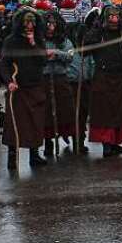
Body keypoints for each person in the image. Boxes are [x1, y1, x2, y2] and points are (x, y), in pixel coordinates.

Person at [85, 5, 122, 157]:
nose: (114, 20)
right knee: (104, 112)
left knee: (119, 112)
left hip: (121, 78)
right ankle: (106, 143)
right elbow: (85, 50)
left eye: (116, 17)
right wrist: (94, 30)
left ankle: (115, 143)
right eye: (110, 17)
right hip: (103, 77)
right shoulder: (99, 34)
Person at [0, 7, 48, 169]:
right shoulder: (10, 41)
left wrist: (34, 43)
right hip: (18, 89)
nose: (30, 25)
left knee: (35, 122)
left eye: (32, 21)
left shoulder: (39, 40)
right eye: (27, 21)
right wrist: (9, 82)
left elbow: (43, 61)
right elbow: (5, 64)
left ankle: (34, 155)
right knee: (15, 124)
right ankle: (12, 157)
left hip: (35, 86)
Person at [42, 12, 77, 157]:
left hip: (60, 79)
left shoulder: (64, 40)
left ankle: (72, 138)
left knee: (66, 111)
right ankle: (48, 143)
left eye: (53, 24)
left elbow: (70, 55)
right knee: (47, 113)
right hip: (44, 79)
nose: (51, 27)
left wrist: (56, 53)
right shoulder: (40, 40)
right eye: (48, 24)